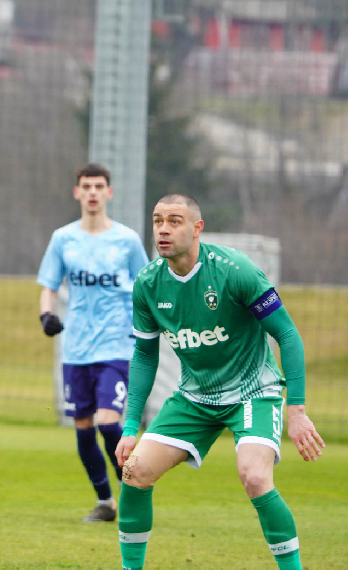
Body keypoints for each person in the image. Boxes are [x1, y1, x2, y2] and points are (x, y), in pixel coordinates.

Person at [115, 194, 324, 570]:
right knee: (134, 472)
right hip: (195, 397)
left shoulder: (235, 270)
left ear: (197, 228)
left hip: (252, 393)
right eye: (158, 221)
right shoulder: (147, 283)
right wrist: (131, 426)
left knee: (255, 477)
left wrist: (297, 410)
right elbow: (145, 355)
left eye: (174, 221)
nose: (163, 229)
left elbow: (288, 335)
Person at [36, 163, 149, 522]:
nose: (93, 192)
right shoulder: (63, 239)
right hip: (76, 349)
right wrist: (46, 315)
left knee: (108, 423)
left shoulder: (127, 240)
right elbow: (49, 285)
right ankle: (105, 502)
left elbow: (146, 286)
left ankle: (132, 489)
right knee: (83, 428)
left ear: (109, 192)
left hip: (117, 345)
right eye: (86, 186)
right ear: (77, 193)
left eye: (99, 186)